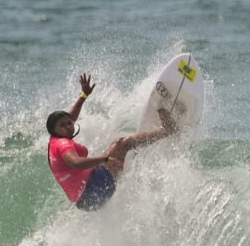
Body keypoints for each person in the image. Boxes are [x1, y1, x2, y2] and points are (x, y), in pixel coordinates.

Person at [47, 73, 177, 211]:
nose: (68, 126)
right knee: (121, 144)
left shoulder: (54, 140)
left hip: (86, 201)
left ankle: (134, 163)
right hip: (93, 188)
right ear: (54, 130)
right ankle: (167, 130)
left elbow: (70, 117)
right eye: (63, 125)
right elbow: (75, 162)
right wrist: (105, 159)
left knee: (114, 160)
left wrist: (83, 96)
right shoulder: (63, 144)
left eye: (69, 123)